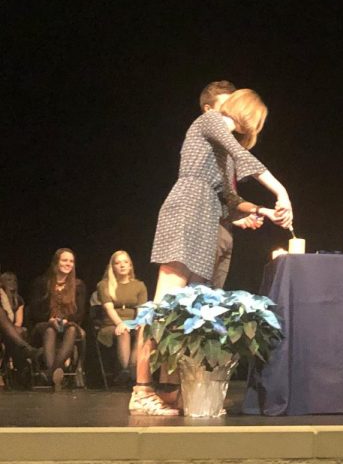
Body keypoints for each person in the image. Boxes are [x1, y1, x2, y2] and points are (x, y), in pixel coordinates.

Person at [131, 88, 294, 416]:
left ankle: (169, 390)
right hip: (188, 208)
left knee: (183, 312)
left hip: (207, 217)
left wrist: (263, 211)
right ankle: (141, 389)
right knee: (163, 304)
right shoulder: (211, 121)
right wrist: (282, 191)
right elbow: (243, 155)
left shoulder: (220, 149)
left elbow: (229, 199)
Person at [198, 81, 265, 290]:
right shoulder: (206, 138)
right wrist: (281, 193)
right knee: (196, 291)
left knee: (214, 295)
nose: (233, 112)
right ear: (208, 109)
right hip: (207, 226)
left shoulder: (226, 153)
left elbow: (230, 197)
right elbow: (207, 191)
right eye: (227, 106)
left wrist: (252, 212)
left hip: (225, 229)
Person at [28, 249, 86, 391]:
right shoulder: (42, 283)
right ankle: (54, 372)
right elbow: (34, 311)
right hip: (45, 323)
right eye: (65, 260)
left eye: (71, 261)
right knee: (50, 330)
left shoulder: (78, 285)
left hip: (69, 324)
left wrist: (67, 320)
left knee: (72, 329)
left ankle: (50, 374)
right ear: (56, 262)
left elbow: (81, 312)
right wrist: (50, 319)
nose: (68, 264)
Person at [96, 251, 148, 385]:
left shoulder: (139, 285)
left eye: (125, 262)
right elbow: (109, 308)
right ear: (112, 267)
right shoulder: (104, 285)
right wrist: (120, 323)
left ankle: (128, 372)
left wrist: (139, 323)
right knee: (123, 331)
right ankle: (128, 371)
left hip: (133, 322)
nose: (122, 265)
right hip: (111, 324)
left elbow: (142, 309)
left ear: (130, 266)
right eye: (118, 263)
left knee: (142, 331)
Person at [1, 272, 40, 374]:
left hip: (10, 332)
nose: (12, 282)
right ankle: (25, 349)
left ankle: (21, 369)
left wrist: (13, 330)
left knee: (19, 331)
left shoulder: (18, 299)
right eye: (8, 280)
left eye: (14, 280)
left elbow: (18, 321)